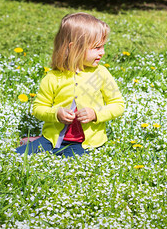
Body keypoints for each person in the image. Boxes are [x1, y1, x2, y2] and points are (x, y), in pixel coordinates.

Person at [16, 12, 125, 157]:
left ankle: (39, 143)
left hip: (86, 143)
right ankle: (38, 141)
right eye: (97, 48)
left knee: (64, 161)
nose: (103, 52)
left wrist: (95, 114)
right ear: (74, 48)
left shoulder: (101, 74)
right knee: (17, 155)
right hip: (52, 139)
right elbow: (38, 108)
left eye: (103, 46)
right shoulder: (53, 77)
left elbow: (118, 105)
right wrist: (56, 114)